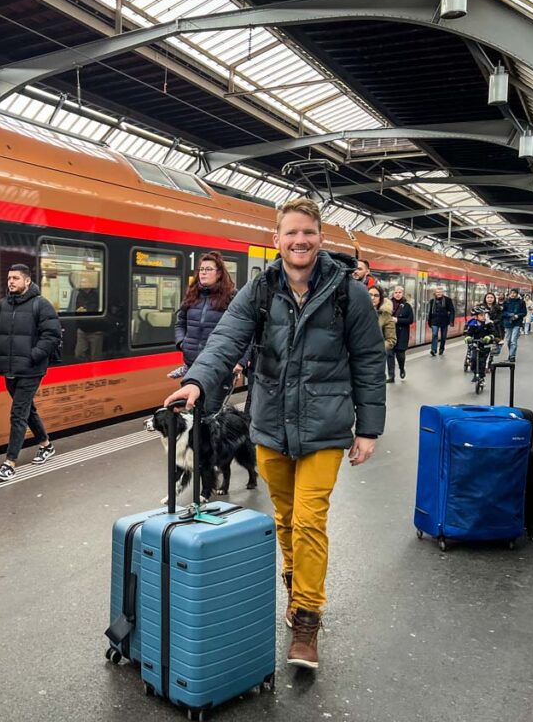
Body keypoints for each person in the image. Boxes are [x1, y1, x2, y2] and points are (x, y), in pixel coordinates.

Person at [163, 197, 386, 671]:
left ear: (320, 238)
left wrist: (368, 429)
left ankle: (307, 617)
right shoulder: (259, 290)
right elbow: (225, 339)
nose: (299, 240)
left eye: (308, 232)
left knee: (309, 520)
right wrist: (196, 382)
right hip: (269, 425)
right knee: (284, 518)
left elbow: (369, 361)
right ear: (277, 240)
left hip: (325, 428)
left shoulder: (349, 293)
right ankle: (294, 582)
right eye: (290, 233)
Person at [0, 264, 62, 481]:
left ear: (27, 281)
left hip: (31, 369)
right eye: (9, 278)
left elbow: (52, 334)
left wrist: (34, 356)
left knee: (18, 413)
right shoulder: (2, 305)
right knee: (27, 410)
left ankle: (9, 463)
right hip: (8, 368)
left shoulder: (41, 304)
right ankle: (46, 445)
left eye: (16, 278)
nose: (11, 282)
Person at [172, 251, 247, 410]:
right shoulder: (192, 295)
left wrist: (241, 361)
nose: (203, 273)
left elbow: (246, 331)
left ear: (219, 273)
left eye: (208, 269)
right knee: (192, 411)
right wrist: (182, 343)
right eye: (201, 269)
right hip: (192, 364)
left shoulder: (232, 296)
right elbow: (180, 323)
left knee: (209, 412)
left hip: (218, 367)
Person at [463, 306, 498, 382]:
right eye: (481, 315)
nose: (483, 317)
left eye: (484, 315)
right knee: (473, 359)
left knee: (482, 362)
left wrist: (489, 337)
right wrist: (468, 337)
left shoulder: (489, 323)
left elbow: (494, 333)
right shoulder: (473, 324)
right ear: (476, 316)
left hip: (486, 346)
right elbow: (469, 333)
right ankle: (476, 374)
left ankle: (481, 377)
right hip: (476, 344)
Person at [369, 285, 396, 383]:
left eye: (376, 295)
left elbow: (391, 340)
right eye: (370, 295)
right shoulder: (357, 310)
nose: (372, 298)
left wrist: (377, 348)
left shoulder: (385, 315)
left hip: (375, 358)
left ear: (380, 298)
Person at [389, 285, 414, 381]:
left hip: (402, 333)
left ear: (402, 294)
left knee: (400, 354)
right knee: (389, 355)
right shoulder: (388, 304)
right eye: (396, 292)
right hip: (390, 333)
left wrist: (398, 320)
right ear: (393, 293)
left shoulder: (407, 306)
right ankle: (391, 376)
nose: (397, 294)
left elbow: (410, 320)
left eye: (399, 292)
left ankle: (401, 368)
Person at [426, 286, 455, 356]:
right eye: (437, 292)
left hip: (444, 321)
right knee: (434, 334)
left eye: (440, 292)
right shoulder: (432, 301)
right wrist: (429, 321)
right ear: (435, 293)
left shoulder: (448, 300)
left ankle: (441, 348)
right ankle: (433, 350)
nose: (438, 293)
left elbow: (452, 311)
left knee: (443, 336)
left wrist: (451, 320)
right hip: (434, 320)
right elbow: (430, 312)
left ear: (442, 293)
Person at [502, 288, 526, 362]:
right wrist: (509, 315)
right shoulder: (506, 302)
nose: (513, 294)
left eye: (514, 293)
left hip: (517, 323)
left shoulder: (521, 302)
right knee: (508, 340)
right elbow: (503, 312)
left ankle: (512, 356)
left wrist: (517, 316)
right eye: (511, 293)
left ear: (517, 294)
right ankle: (510, 353)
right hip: (508, 323)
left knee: (513, 340)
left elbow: (524, 312)